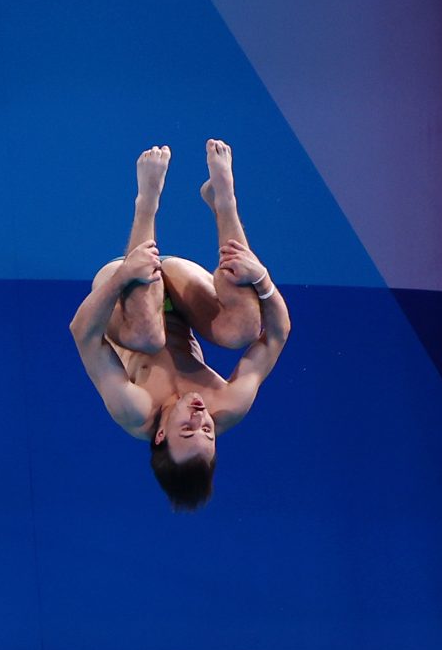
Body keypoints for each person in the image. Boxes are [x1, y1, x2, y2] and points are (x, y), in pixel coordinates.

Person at [69, 140, 291, 510]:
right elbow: (276, 336)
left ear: (160, 435)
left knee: (147, 335)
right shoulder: (228, 405)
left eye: (186, 428)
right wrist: (263, 279)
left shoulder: (134, 409)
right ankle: (224, 201)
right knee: (243, 330)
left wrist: (123, 275)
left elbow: (83, 333)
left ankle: (147, 202)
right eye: (207, 431)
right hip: (179, 291)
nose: (200, 416)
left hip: (123, 296)